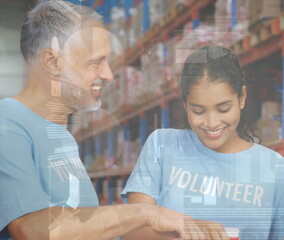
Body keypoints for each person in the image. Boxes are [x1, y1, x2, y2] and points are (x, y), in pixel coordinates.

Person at [0, 1, 215, 239]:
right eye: (95, 62)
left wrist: (187, 229)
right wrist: (145, 213)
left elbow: (83, 227)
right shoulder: (7, 124)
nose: (108, 74)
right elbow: (33, 228)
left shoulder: (59, 135)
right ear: (52, 62)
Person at [121, 45, 284, 239]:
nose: (212, 123)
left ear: (242, 98)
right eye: (198, 111)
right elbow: (132, 229)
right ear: (185, 104)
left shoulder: (275, 168)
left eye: (223, 109)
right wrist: (189, 232)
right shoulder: (162, 146)